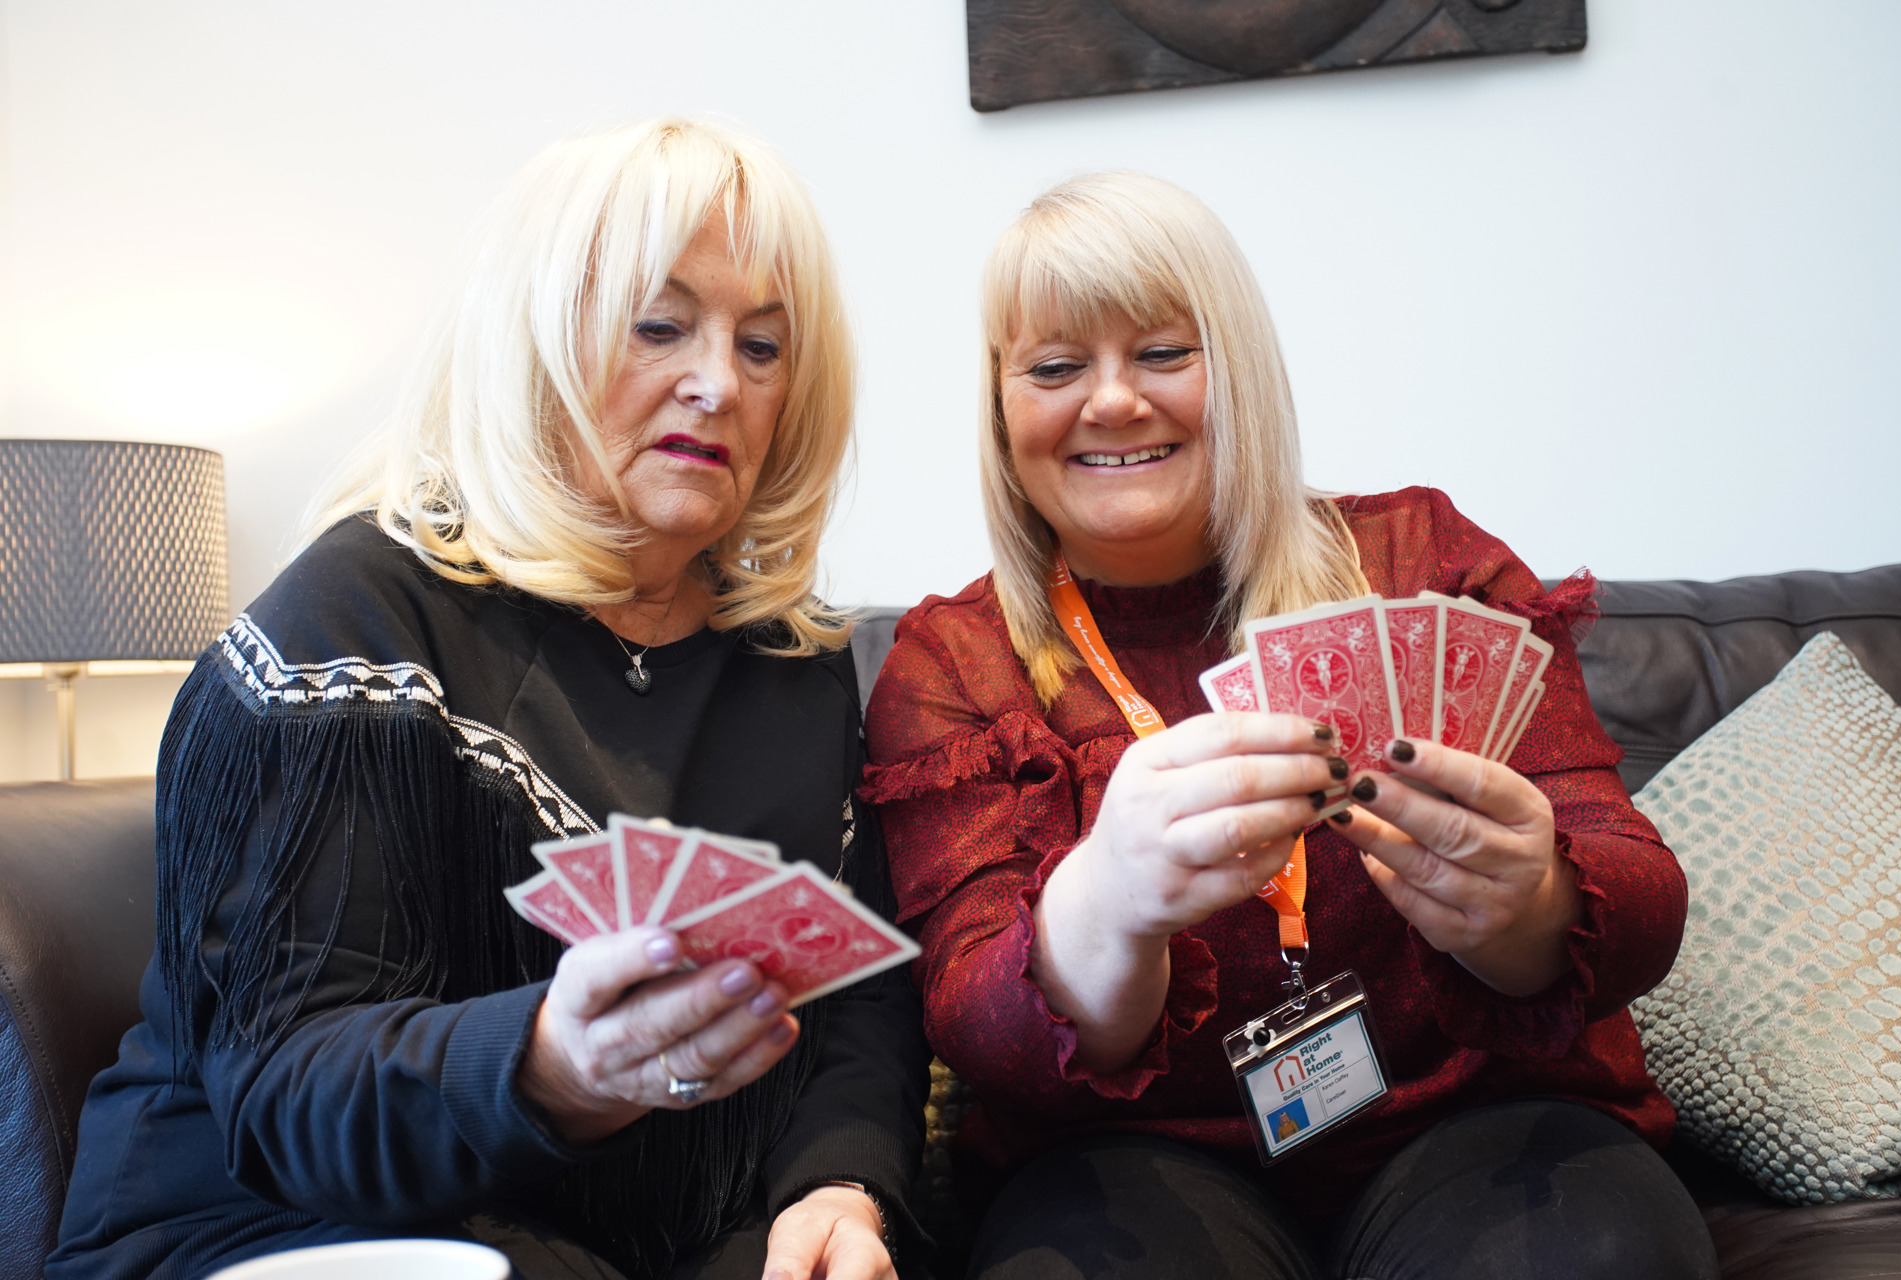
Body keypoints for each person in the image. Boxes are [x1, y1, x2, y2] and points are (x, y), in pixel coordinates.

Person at [51, 119, 927, 1280]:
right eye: (659, 326)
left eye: (763, 347)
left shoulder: (792, 663)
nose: (719, 382)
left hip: (632, 1229)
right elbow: (284, 1083)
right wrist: (549, 1060)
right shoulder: (350, 624)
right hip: (277, 1220)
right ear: (535, 344)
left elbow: (854, 1005)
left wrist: (841, 1184)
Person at [861, 172, 1717, 1280]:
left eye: (1166, 352)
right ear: (999, 409)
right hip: (1134, 1166)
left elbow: (1640, 901)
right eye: (1055, 366)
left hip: (1478, 1128)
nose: (1112, 401)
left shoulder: (1426, 564)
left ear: (1244, 371)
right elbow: (979, 1030)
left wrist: (1534, 902)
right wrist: (1108, 903)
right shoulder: (953, 664)